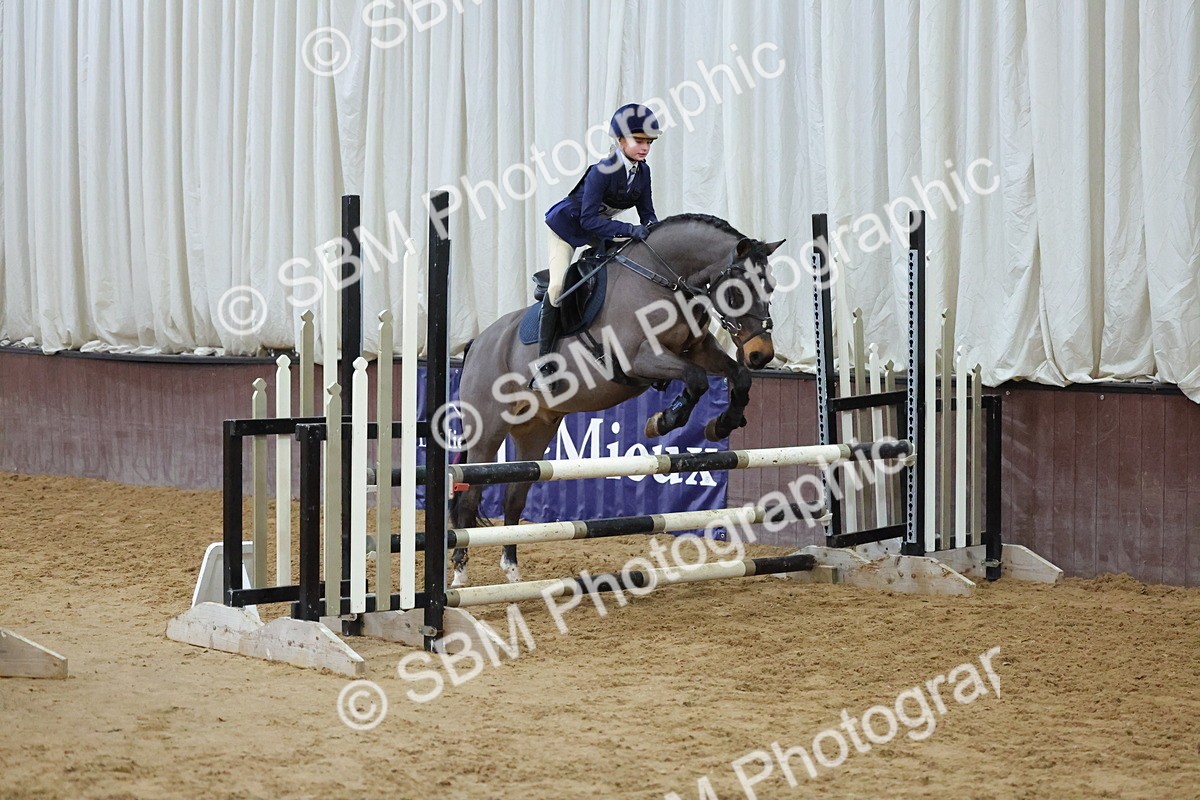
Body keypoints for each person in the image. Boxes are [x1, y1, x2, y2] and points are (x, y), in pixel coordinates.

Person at [535, 103, 662, 387]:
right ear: (619, 141)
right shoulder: (602, 171)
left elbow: (648, 213)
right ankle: (543, 363)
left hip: (601, 228)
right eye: (638, 141)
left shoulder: (643, 173)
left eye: (648, 142)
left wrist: (656, 231)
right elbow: (589, 219)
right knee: (557, 288)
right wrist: (630, 229)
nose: (644, 148)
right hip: (568, 227)